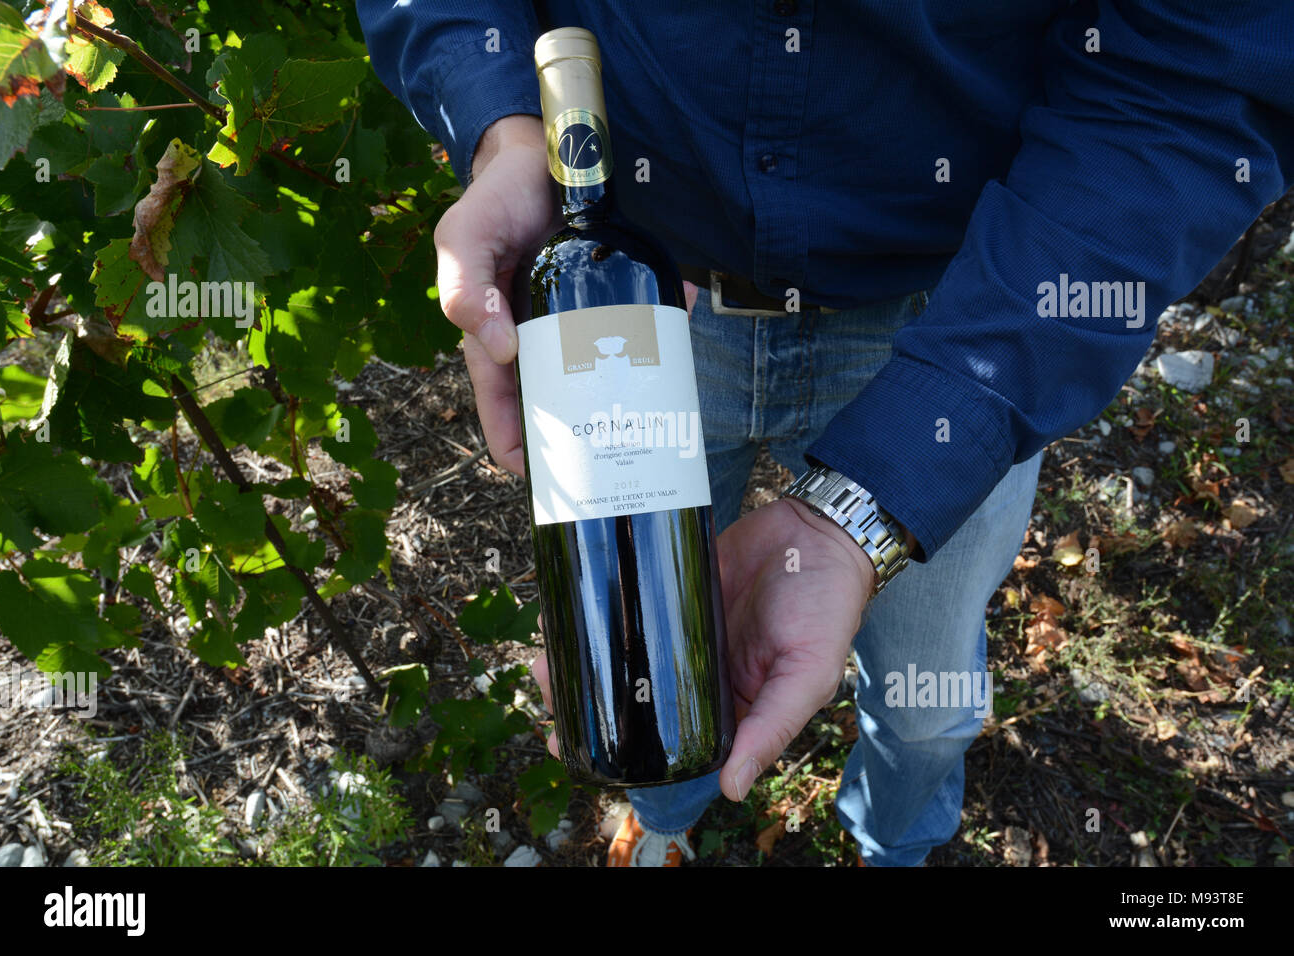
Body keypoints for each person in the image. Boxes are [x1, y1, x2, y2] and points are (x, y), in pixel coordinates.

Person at [356, 2, 1294, 866]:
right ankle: (670, 813)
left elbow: (1195, 75)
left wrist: (902, 473)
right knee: (649, 628)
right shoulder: (584, 269)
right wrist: (501, 126)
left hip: (959, 317)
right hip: (643, 310)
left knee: (928, 695)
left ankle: (896, 840)